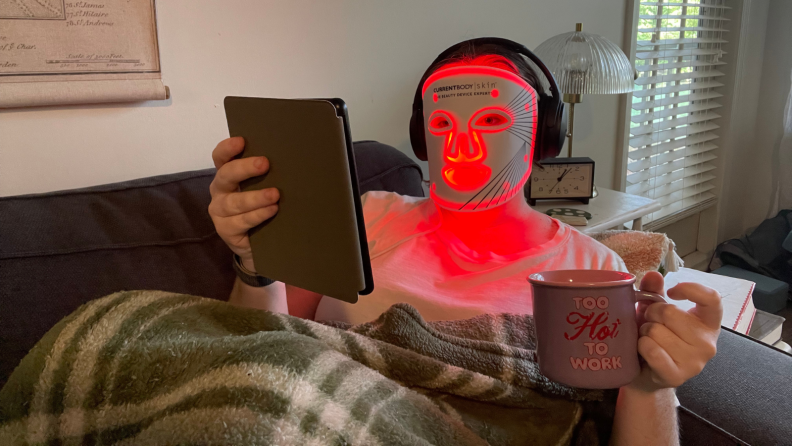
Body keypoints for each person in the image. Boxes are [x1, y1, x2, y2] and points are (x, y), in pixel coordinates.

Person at [207, 40, 721, 445]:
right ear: (421, 134)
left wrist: (651, 383)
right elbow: (264, 346)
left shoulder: (591, 269)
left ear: (541, 135)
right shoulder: (366, 217)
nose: (464, 146)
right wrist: (257, 264)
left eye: (493, 121)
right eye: (443, 124)